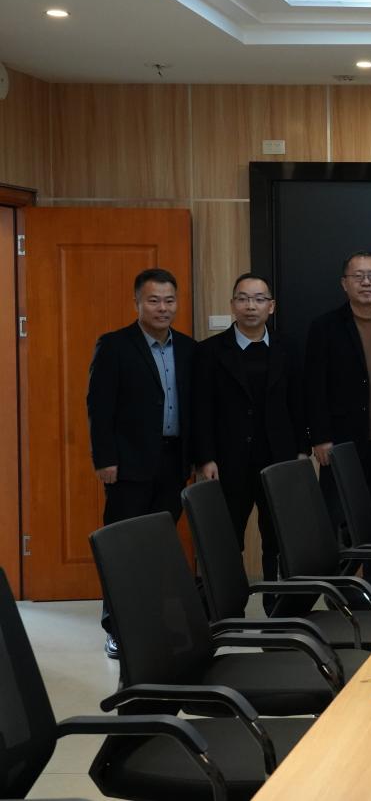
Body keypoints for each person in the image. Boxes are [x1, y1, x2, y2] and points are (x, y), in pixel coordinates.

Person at [86, 268, 194, 658]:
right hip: (127, 466)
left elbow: (195, 408)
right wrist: (105, 459)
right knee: (122, 550)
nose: (162, 308)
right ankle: (117, 629)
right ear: (137, 303)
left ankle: (153, 625)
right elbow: (99, 407)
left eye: (169, 300)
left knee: (157, 549)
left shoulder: (188, 348)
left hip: (173, 463)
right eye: (153, 300)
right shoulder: (115, 345)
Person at [193, 273, 307, 582]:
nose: (250, 306)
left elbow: (298, 402)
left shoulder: (289, 347)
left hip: (278, 458)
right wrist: (206, 458)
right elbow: (201, 409)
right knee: (227, 539)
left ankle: (276, 602)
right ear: (233, 305)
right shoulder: (209, 351)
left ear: (271, 306)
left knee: (278, 538)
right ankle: (229, 604)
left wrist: (301, 450)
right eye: (243, 299)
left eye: (258, 299)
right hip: (228, 461)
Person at [305, 251, 371, 548]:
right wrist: (320, 437)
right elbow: (314, 387)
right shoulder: (324, 327)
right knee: (338, 522)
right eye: (358, 276)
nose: (366, 282)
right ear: (344, 283)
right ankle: (340, 580)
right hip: (340, 443)